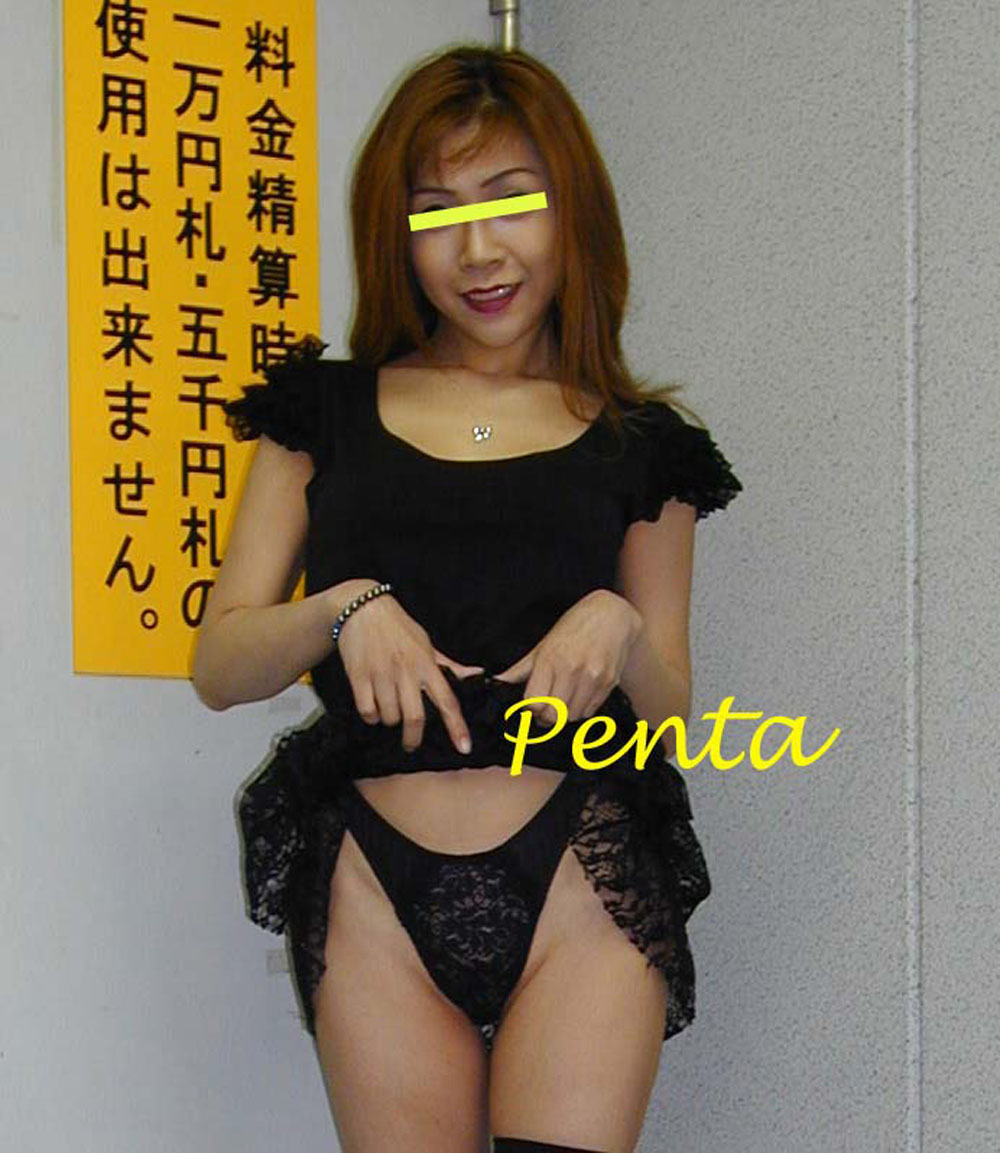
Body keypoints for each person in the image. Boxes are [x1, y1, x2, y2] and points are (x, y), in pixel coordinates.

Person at [192, 44, 741, 1153]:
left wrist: (620, 626)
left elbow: (671, 710)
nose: (478, 250)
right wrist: (343, 607)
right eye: (437, 212)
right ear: (397, 235)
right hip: (374, 888)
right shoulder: (322, 412)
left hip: (581, 874)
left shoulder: (646, 446)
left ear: (571, 209)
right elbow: (220, 664)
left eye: (510, 201)